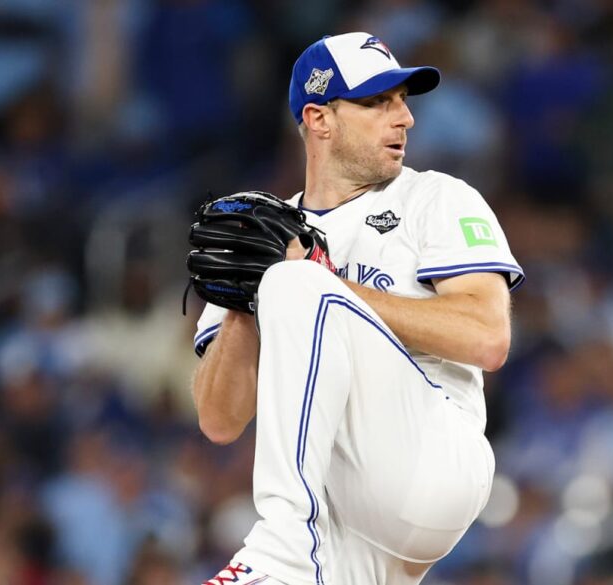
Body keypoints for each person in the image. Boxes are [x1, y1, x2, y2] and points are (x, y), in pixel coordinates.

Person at [191, 32, 524, 585]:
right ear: (319, 118)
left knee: (296, 281)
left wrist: (326, 283)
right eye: (377, 103)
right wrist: (243, 307)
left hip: (433, 459)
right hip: (341, 517)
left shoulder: (434, 198)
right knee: (287, 280)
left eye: (402, 101)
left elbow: (488, 338)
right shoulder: (264, 236)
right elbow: (219, 421)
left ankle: (282, 546)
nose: (405, 119)